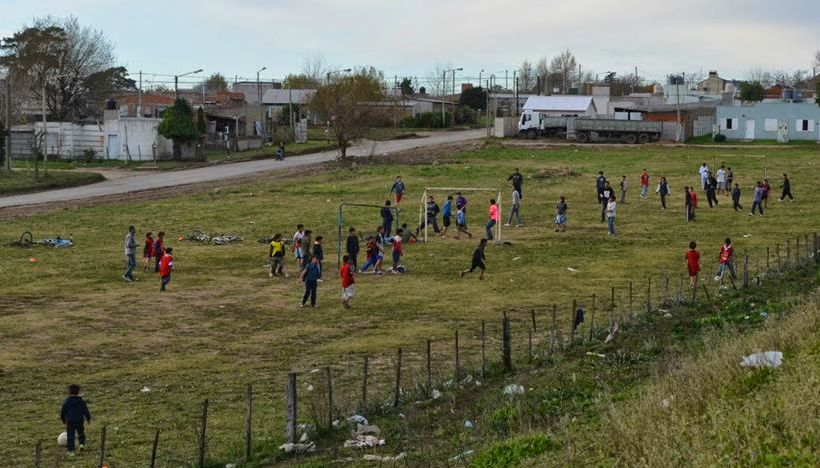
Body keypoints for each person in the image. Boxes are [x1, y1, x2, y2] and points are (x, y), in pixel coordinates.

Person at [60, 384, 91, 457]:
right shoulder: (80, 401)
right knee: (81, 432)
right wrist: (88, 418)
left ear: (69, 392)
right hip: (79, 420)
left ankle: (71, 450)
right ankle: (81, 445)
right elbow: (85, 410)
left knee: (70, 435)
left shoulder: (66, 401)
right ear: (78, 392)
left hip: (70, 421)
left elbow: (63, 411)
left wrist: (63, 420)